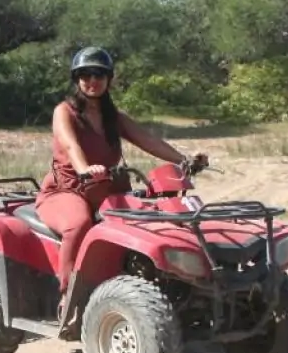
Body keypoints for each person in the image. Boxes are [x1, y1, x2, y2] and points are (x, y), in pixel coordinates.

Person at [35, 45, 208, 324]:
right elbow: (69, 144)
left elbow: (148, 140)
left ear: (109, 79)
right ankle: (69, 296)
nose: (93, 81)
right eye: (86, 75)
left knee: (154, 220)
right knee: (78, 224)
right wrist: (84, 169)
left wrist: (184, 160)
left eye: (100, 75)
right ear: (77, 79)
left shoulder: (113, 117)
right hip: (67, 190)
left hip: (106, 190)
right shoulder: (64, 111)